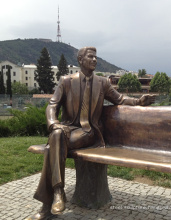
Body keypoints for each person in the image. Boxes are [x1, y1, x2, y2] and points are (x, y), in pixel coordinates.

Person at [26, 47, 155, 220]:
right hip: (67, 130)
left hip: (89, 132)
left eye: (96, 57)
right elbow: (52, 105)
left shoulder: (102, 83)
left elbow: (120, 99)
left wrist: (139, 101)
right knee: (55, 139)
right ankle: (57, 192)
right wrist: (54, 123)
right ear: (80, 60)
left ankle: (47, 205)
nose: (94, 60)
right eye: (90, 57)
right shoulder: (66, 81)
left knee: (53, 145)